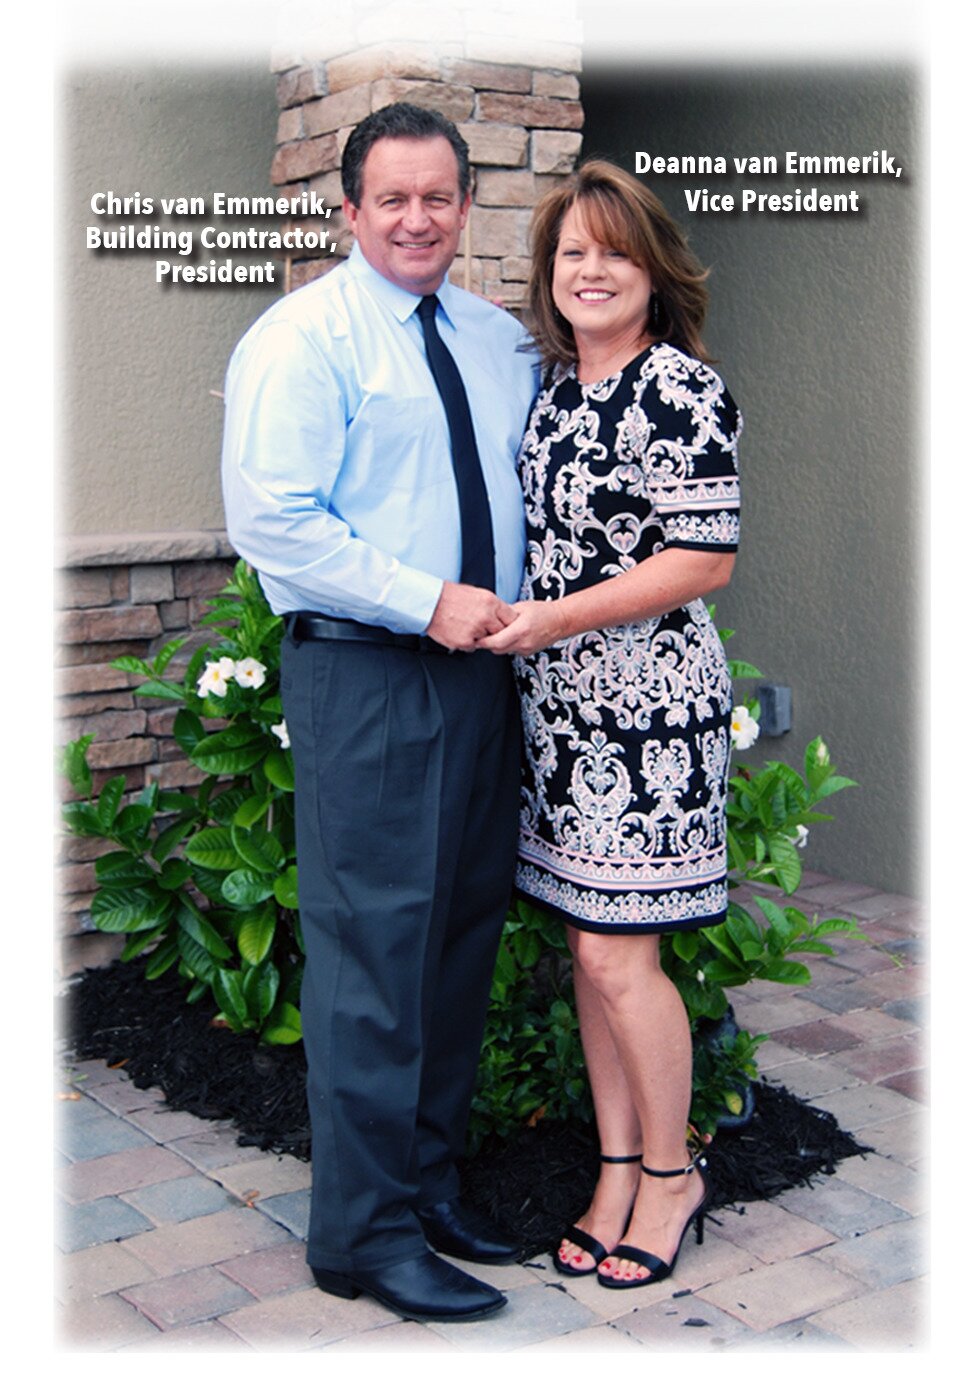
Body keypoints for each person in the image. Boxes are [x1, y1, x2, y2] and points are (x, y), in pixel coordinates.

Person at [220, 102, 539, 1322]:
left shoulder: (495, 338)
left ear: (466, 205)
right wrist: (426, 601)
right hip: (367, 672)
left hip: (482, 674)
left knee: (456, 939)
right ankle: (359, 1237)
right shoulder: (304, 339)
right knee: (372, 957)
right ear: (348, 208)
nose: (418, 218)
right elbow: (276, 523)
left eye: (439, 196)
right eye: (392, 197)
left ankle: (427, 1186)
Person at [480, 160, 741, 1288]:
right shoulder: (550, 389)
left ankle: (674, 1175)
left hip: (649, 712)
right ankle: (618, 1166)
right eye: (572, 252)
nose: (590, 269)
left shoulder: (677, 387)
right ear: (550, 274)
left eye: (614, 251)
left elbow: (704, 557)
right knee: (588, 958)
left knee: (615, 953)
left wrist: (553, 620)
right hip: (561, 715)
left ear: (652, 271)